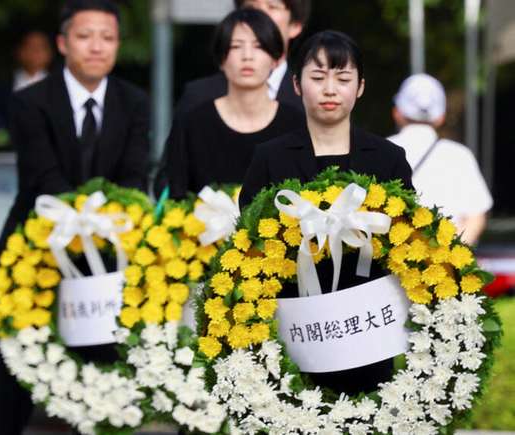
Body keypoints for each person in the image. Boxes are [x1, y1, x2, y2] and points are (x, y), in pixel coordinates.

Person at [0, 1, 150, 434]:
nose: (97, 46)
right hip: (34, 251)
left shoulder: (134, 102)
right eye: (85, 35)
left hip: (109, 258)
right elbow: (45, 178)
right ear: (62, 42)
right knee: (9, 382)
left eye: (108, 38)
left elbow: (133, 178)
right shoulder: (29, 101)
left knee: (107, 382)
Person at [239, 30, 413, 395]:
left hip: (366, 329)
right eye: (317, 78)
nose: (330, 89)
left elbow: (407, 243)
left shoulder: (387, 158)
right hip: (295, 330)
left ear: (360, 87)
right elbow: (250, 242)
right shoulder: (269, 158)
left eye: (343, 78)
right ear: (297, 85)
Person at [157, 9, 304, 199]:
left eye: (259, 46)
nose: (247, 56)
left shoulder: (296, 123)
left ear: (276, 59)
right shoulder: (194, 122)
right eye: (236, 46)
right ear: (221, 59)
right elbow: (174, 191)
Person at [388, 74, 492, 245]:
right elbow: (476, 217)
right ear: (440, 116)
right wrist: (450, 256)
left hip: (391, 265)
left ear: (397, 113)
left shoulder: (379, 151)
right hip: (443, 267)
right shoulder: (460, 156)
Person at [174, 0, 311, 118]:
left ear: (295, 26)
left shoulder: (309, 101)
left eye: (272, 6)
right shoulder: (199, 97)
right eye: (251, 7)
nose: (260, 15)